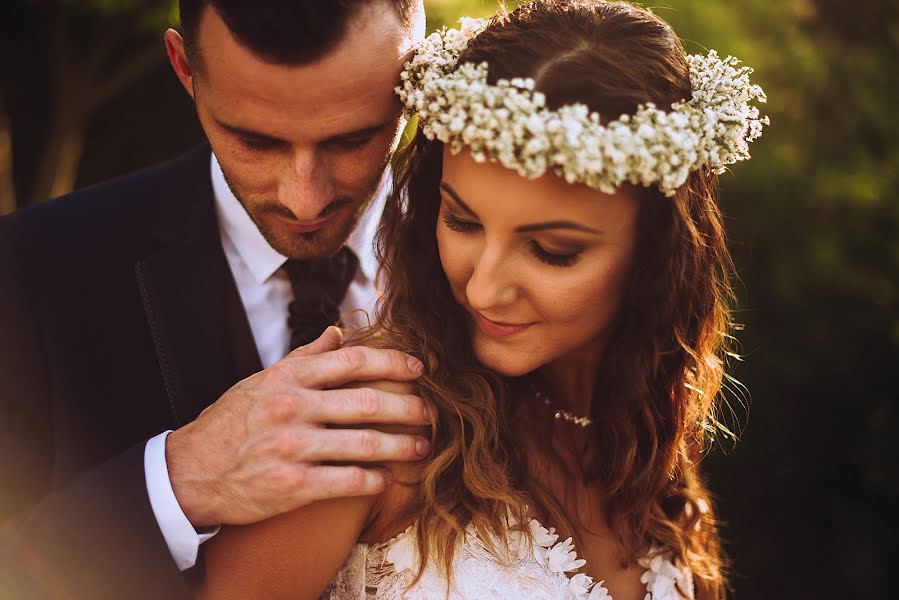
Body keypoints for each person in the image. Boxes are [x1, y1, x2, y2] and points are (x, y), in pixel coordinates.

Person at [196, 1, 769, 599]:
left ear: (657, 258)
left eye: (551, 251)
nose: (483, 289)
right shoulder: (370, 427)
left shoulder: (645, 451)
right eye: (461, 222)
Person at [0, 1, 434, 597]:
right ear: (184, 66)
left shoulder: (525, 272)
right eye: (255, 141)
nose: (304, 198)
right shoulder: (29, 269)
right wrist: (179, 480)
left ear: (414, 60)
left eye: (353, 139)